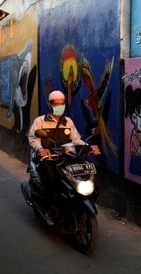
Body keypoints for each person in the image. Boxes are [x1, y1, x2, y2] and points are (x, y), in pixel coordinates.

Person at [28, 90, 98, 225]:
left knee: (85, 172)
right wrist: (41, 149)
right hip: (48, 158)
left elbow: (76, 139)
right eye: (56, 103)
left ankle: (78, 200)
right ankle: (49, 209)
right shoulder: (40, 121)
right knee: (52, 178)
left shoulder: (68, 122)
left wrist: (89, 147)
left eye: (62, 103)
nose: (60, 106)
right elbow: (33, 139)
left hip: (67, 157)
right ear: (49, 105)